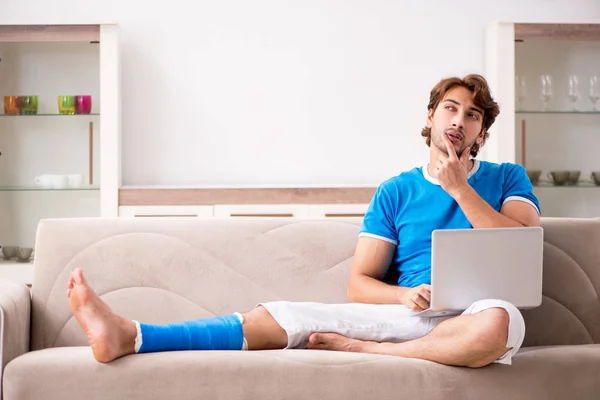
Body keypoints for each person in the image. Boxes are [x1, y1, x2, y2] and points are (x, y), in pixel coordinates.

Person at [67, 73, 540, 368]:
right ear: (432, 116)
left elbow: (522, 244)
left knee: (498, 322)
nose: (459, 120)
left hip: (480, 314)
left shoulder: (507, 178)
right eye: (451, 108)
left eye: (473, 115)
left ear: (482, 132)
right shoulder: (396, 190)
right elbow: (359, 285)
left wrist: (460, 188)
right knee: (285, 314)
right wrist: (403, 294)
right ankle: (133, 335)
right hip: (411, 316)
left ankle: (370, 353)